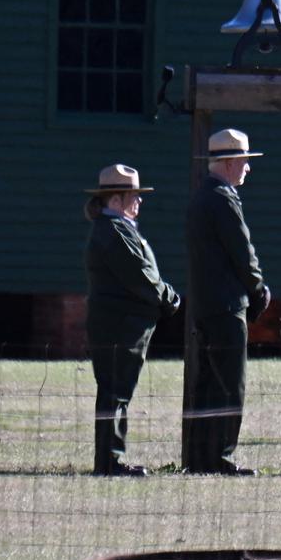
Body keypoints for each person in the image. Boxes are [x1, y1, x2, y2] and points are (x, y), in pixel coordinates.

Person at [84, 164, 180, 477]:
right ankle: (110, 462)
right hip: (120, 325)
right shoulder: (113, 232)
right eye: (133, 196)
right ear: (115, 200)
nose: (139, 202)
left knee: (117, 391)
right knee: (115, 391)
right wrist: (169, 298)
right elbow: (140, 276)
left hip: (124, 323)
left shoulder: (116, 229)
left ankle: (110, 459)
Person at [185, 128, 270, 474]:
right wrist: (259, 289)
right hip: (226, 305)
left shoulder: (200, 197)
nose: (248, 168)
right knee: (229, 385)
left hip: (205, 305)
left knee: (207, 384)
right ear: (232, 162)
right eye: (245, 162)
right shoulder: (223, 198)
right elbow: (242, 252)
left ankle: (200, 458)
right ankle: (221, 457)